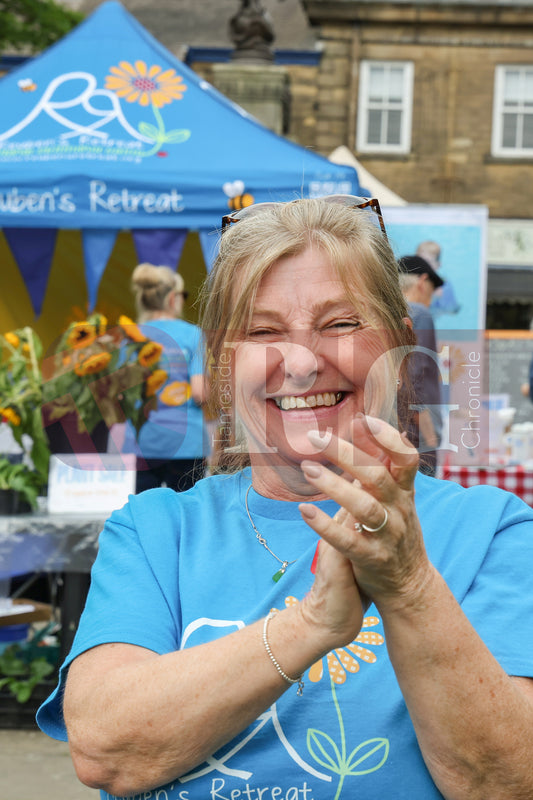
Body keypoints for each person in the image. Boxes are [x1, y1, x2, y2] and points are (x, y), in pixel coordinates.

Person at [36, 197, 533, 800]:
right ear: (225, 361)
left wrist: (409, 588)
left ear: (400, 350)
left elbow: (508, 781)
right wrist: (311, 625)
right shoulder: (156, 530)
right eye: (263, 331)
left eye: (340, 324)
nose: (300, 362)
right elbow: (106, 751)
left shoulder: (491, 530)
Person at [121, 263, 209, 493]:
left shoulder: (130, 337)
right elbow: (200, 393)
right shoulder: (193, 334)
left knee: (147, 515)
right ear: (172, 298)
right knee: (188, 516)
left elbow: (121, 395)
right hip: (186, 443)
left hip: (143, 442)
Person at [398, 254, 443, 476]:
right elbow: (413, 377)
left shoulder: (387, 313)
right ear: (422, 282)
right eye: (433, 291)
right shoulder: (419, 313)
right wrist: (430, 437)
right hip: (417, 439)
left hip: (394, 432)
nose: (431, 299)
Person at [416, 240, 461, 317]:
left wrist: (435, 297)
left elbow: (452, 310)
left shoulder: (444, 285)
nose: (422, 266)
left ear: (438, 265)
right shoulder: (413, 282)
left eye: (427, 262)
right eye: (419, 261)